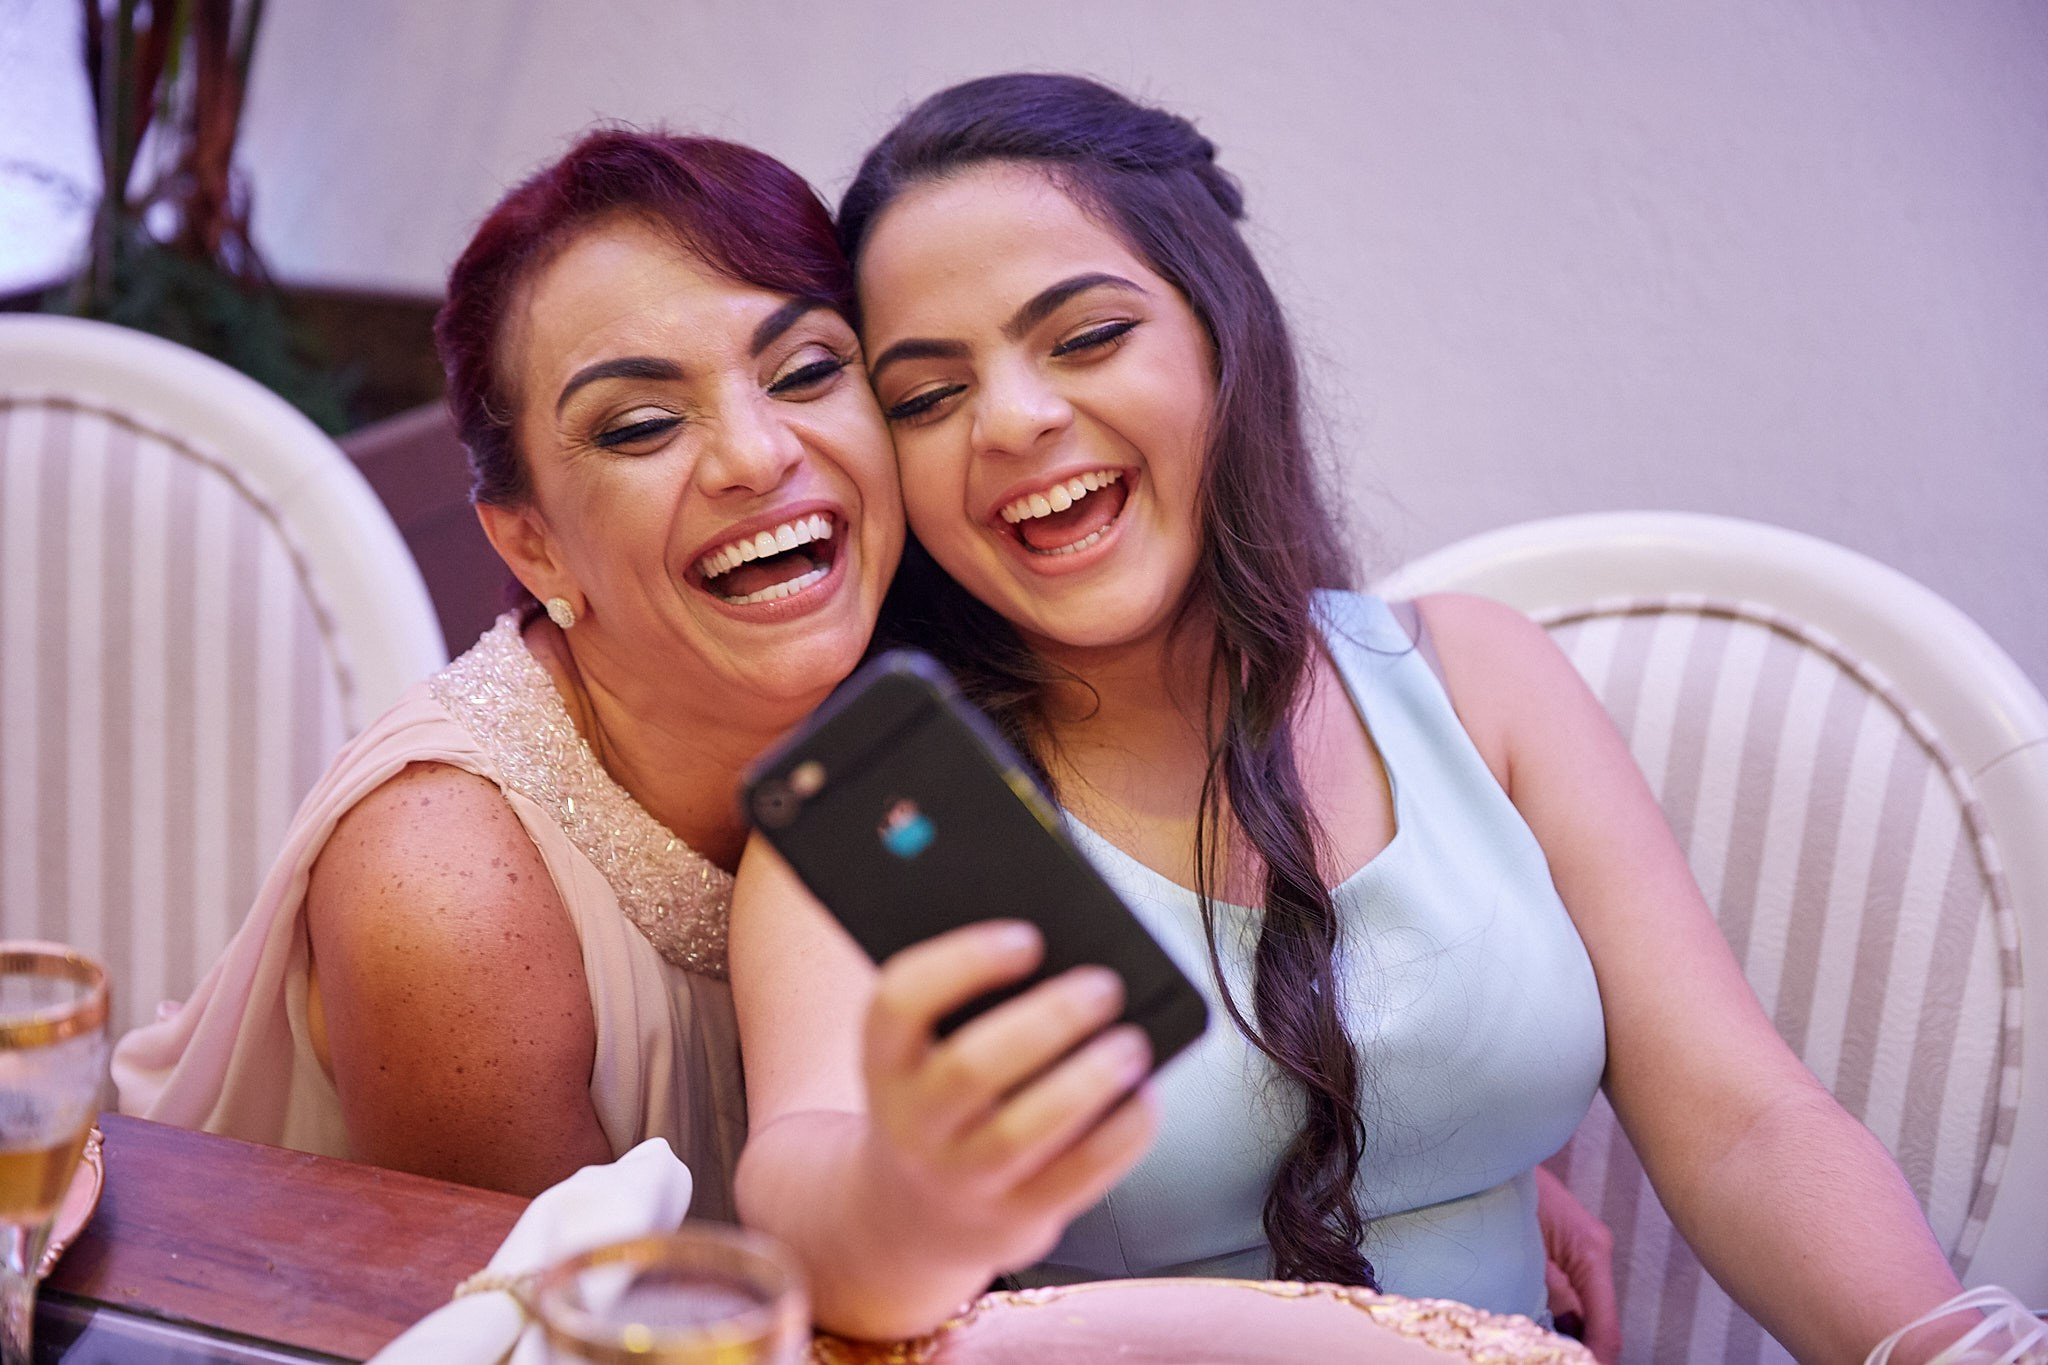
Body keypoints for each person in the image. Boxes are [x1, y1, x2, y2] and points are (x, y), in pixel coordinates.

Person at [729, 73, 1968, 1359]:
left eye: (1085, 337)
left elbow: (1739, 1120)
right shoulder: (882, 825)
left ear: (1223, 337)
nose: (1012, 419)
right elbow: (808, 1214)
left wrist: (1940, 1341)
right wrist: (912, 1190)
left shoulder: (1478, 677)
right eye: (926, 397)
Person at [111, 128, 904, 1204]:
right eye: (640, 425)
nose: (757, 456)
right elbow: (545, 1300)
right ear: (531, 545)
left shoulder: (943, 681)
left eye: (805, 371)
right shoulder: (447, 889)